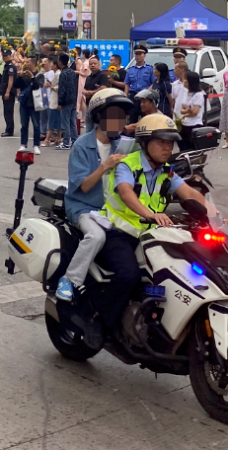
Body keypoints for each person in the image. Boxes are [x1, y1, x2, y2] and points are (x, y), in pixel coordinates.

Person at [93, 114, 210, 338]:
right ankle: (100, 322)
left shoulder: (166, 170)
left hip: (150, 235)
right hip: (119, 231)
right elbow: (126, 192)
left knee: (178, 273)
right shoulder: (127, 164)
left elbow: (189, 193)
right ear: (145, 143)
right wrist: (151, 215)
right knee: (128, 275)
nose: (167, 148)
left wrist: (217, 216)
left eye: (170, 143)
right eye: (161, 142)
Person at [56, 88, 135, 303]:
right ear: (99, 117)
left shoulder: (121, 145)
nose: (119, 122)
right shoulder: (82, 145)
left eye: (122, 117)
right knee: (96, 235)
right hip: (83, 207)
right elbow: (84, 186)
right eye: (114, 116)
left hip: (111, 209)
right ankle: (70, 279)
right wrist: (105, 166)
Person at [17, 57, 43, 154]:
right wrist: (19, 77)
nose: (26, 63)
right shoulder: (24, 74)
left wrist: (32, 77)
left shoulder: (40, 75)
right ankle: (23, 144)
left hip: (35, 103)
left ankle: (36, 145)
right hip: (24, 103)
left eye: (28, 62)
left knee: (36, 125)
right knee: (24, 125)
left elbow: (37, 86)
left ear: (33, 63)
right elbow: (17, 85)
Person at [177, 71, 206, 150]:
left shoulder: (198, 95)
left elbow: (195, 112)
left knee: (192, 148)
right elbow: (181, 109)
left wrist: (184, 114)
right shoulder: (186, 93)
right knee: (183, 146)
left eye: (185, 79)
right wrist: (187, 111)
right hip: (185, 124)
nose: (184, 81)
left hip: (194, 124)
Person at [83, 55, 111, 133]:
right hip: (89, 105)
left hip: (98, 106)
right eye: (91, 64)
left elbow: (103, 88)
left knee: (97, 128)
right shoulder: (88, 77)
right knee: (88, 128)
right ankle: (89, 141)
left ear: (99, 65)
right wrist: (85, 92)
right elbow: (84, 88)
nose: (93, 65)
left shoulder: (102, 76)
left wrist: (90, 93)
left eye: (95, 63)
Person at [56, 53, 78, 150]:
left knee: (65, 123)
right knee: (73, 122)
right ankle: (74, 141)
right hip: (73, 100)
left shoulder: (63, 74)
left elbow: (62, 89)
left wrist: (60, 102)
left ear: (60, 62)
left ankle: (66, 142)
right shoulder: (72, 72)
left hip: (65, 101)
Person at [44, 57, 62, 147]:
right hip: (55, 99)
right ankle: (58, 138)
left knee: (52, 121)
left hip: (55, 100)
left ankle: (47, 140)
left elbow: (60, 87)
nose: (50, 65)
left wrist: (52, 87)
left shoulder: (58, 74)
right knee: (58, 121)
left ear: (55, 65)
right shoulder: (56, 74)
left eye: (51, 64)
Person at [0, 48, 17, 137]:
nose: (5, 57)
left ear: (10, 56)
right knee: (6, 111)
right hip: (5, 91)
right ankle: (8, 128)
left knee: (8, 111)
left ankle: (9, 130)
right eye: (4, 56)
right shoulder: (7, 65)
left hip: (9, 92)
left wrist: (7, 92)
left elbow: (11, 80)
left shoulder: (11, 66)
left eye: (6, 56)